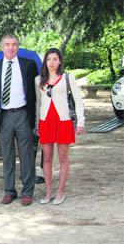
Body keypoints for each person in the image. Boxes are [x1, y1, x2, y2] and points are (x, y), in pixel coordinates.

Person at [0, 34, 38, 206]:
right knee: (7, 155)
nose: (10, 48)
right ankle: (9, 191)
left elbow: (34, 92)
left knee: (26, 155)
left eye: (14, 44)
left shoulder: (28, 65)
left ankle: (27, 191)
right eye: (7, 45)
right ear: (1, 47)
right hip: (4, 116)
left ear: (18, 47)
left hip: (23, 114)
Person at [34, 48, 85, 205]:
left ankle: (60, 192)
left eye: (55, 59)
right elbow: (38, 104)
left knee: (63, 158)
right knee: (47, 158)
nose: (52, 62)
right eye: (49, 59)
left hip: (63, 120)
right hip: (46, 121)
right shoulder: (39, 80)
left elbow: (78, 100)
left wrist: (81, 121)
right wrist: (37, 124)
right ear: (45, 62)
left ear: (60, 61)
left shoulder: (67, 78)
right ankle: (48, 192)